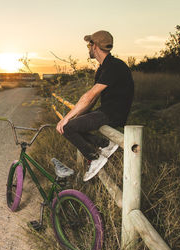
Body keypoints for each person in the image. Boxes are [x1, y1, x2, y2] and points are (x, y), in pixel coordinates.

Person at [56, 30, 134, 181]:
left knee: (67, 127)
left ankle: (94, 158)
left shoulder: (114, 66)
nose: (88, 48)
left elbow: (89, 96)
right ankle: (105, 144)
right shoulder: (103, 68)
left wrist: (66, 118)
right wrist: (78, 116)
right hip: (106, 110)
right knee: (73, 125)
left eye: (89, 45)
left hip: (113, 114)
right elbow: (91, 101)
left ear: (95, 46)